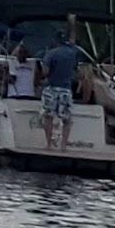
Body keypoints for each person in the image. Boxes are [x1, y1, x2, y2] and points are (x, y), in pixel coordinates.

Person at [40, 18, 82, 151]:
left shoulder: (50, 54)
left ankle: (48, 144)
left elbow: (45, 72)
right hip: (65, 89)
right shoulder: (72, 52)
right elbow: (73, 40)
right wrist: (72, 23)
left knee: (48, 116)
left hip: (52, 88)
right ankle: (63, 145)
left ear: (55, 41)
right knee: (67, 119)